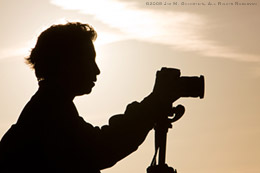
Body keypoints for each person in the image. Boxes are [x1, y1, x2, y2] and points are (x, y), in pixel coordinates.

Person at [0, 22, 180, 173]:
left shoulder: (46, 109)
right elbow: (100, 149)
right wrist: (153, 105)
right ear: (66, 63)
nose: (97, 70)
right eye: (89, 60)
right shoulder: (49, 112)